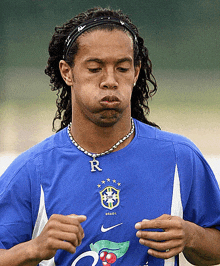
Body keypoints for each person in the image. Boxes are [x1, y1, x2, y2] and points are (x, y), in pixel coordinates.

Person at [0, 6, 220, 266]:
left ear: (136, 72)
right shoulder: (31, 170)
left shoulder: (179, 157)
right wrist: (33, 249)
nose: (110, 81)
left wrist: (192, 236)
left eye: (122, 68)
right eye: (95, 68)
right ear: (67, 72)